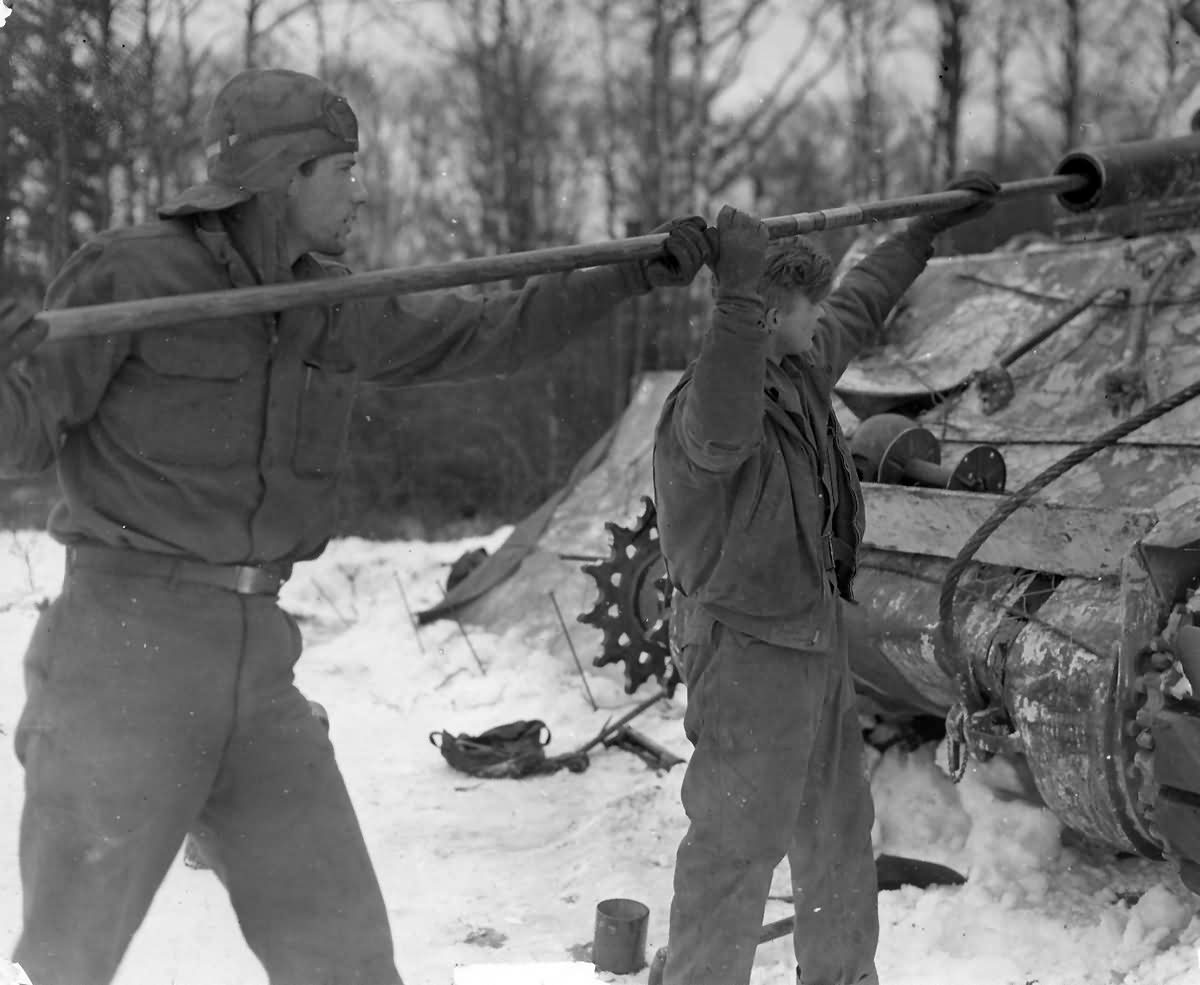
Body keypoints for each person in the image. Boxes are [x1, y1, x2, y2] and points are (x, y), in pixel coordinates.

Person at [0, 67, 710, 985]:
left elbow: (489, 329)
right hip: (120, 656)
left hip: (258, 669)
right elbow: (18, 437)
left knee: (346, 961)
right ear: (283, 174)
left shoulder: (329, 303)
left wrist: (631, 273)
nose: (362, 189)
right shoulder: (131, 275)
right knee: (65, 964)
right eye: (343, 167)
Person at [651, 174, 999, 985]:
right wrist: (733, 299)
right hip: (744, 651)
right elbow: (723, 432)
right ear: (767, 315)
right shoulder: (705, 407)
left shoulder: (800, 370)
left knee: (838, 839)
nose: (822, 323)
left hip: (813, 639)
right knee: (734, 851)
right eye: (804, 309)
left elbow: (860, 300)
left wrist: (921, 231)